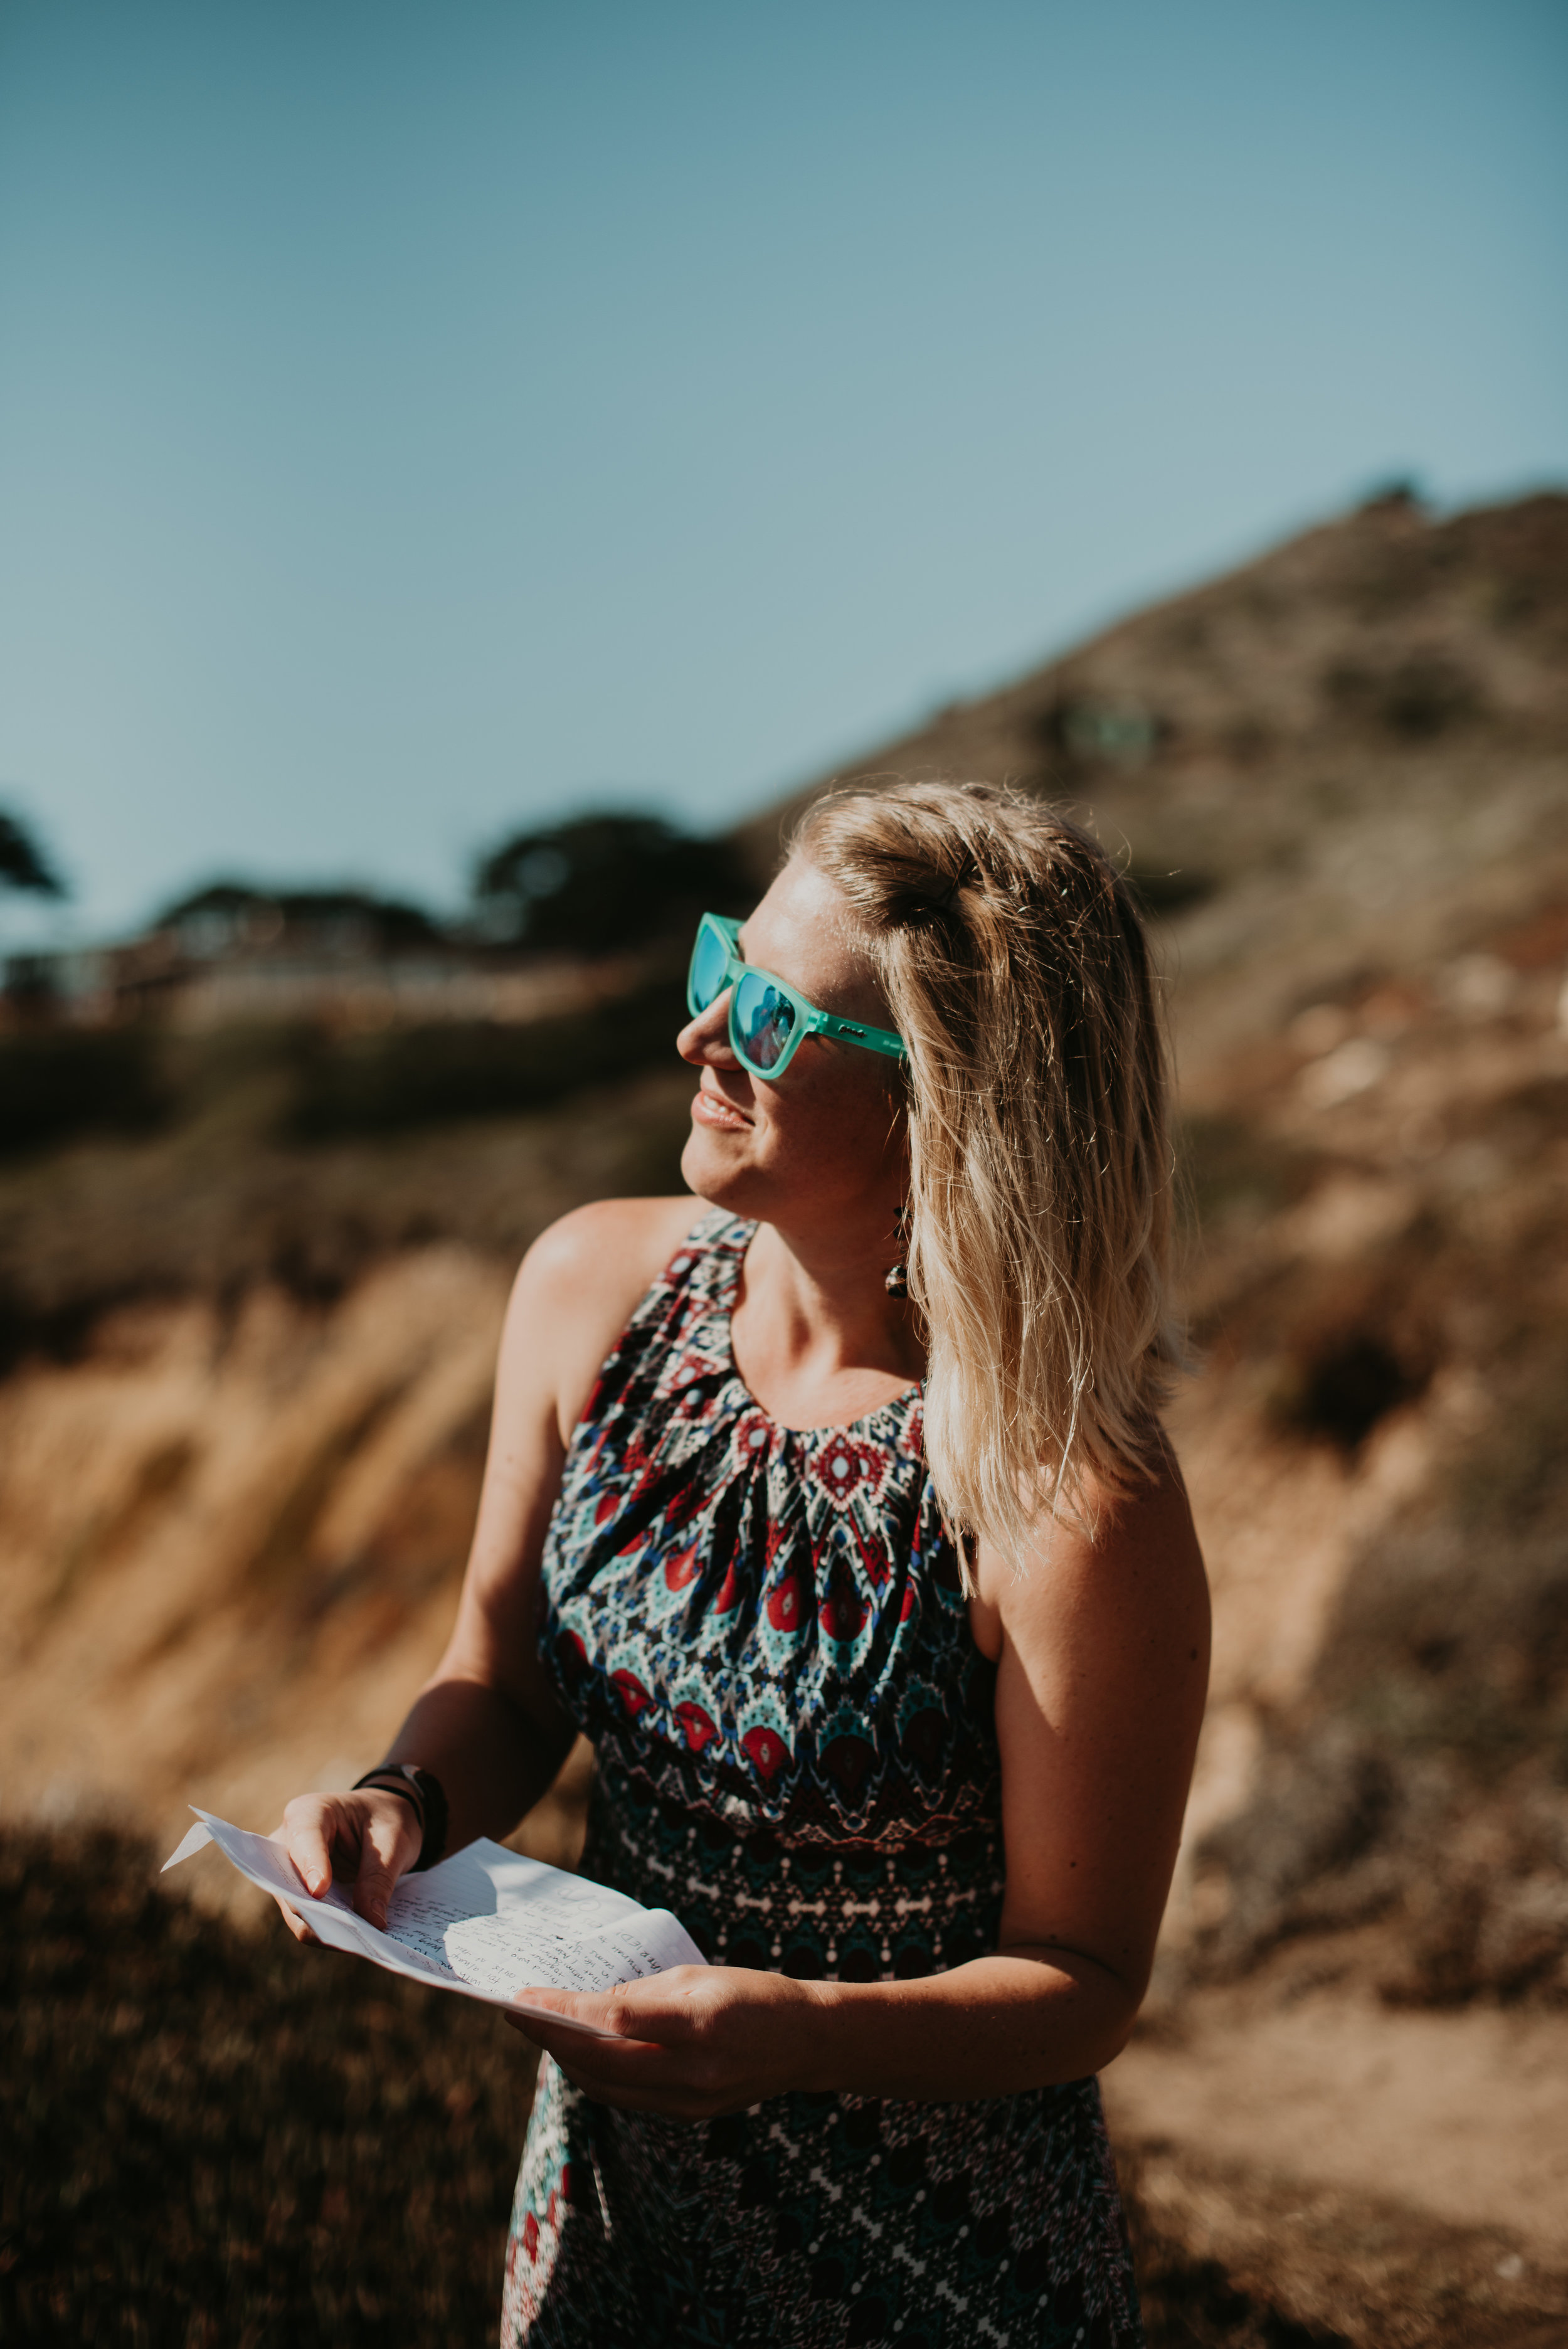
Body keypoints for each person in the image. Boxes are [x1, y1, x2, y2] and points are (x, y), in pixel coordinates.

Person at [275, 778, 1210, 2348]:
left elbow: (1084, 1976)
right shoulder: (591, 1286)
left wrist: (795, 2035)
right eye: (723, 966)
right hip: (606, 2209)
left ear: (949, 1105)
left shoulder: (1064, 1489)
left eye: (769, 1018)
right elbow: (498, 1684)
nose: (699, 1036)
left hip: (928, 2263)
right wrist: (400, 1806)